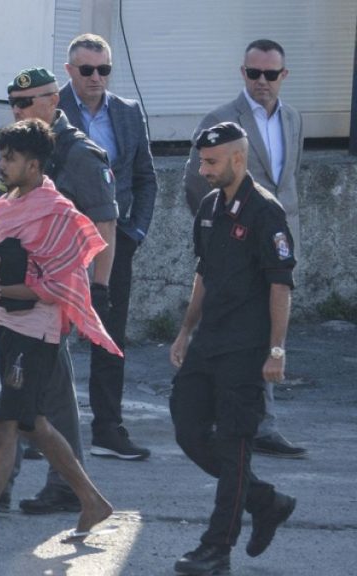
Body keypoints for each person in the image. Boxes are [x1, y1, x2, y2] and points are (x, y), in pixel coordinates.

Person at [0, 67, 117, 515]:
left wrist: (97, 290)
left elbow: (103, 225)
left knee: (27, 406)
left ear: (54, 101)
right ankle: (53, 487)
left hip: (53, 293)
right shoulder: (18, 148)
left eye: (29, 102)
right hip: (19, 297)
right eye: (15, 103)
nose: (20, 109)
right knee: (41, 400)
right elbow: (2, 217)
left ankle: (6, 486)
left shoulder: (79, 154)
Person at [169, 121, 296, 575]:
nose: (203, 169)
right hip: (209, 342)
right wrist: (186, 331)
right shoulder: (208, 206)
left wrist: (276, 351)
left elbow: (281, 286)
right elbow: (203, 272)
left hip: (246, 349)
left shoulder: (265, 212)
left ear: (238, 160)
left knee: (234, 444)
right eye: (202, 161)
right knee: (188, 430)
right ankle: (265, 501)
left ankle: (216, 549)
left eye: (212, 162)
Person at [183, 39, 306, 459]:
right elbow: (195, 178)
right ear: (243, 73)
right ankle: (236, 418)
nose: (262, 82)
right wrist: (223, 225)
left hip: (273, 243)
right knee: (231, 329)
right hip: (234, 245)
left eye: (270, 74)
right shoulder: (221, 120)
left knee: (265, 329)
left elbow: (288, 182)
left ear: (283, 76)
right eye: (254, 73)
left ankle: (257, 422)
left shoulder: (292, 118)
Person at [59, 33, 156, 460]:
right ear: (70, 71)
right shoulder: (49, 106)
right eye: (87, 70)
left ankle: (108, 428)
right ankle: (36, 429)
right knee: (47, 335)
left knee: (110, 337)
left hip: (114, 245)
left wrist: (134, 233)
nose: (96, 77)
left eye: (104, 69)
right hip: (59, 247)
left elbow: (145, 177)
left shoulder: (128, 113)